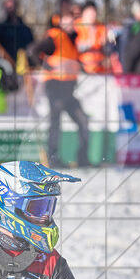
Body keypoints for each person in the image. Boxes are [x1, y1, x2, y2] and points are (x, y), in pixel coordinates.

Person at [30, 9, 91, 169]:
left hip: (69, 89)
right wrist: (48, 66)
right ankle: (53, 159)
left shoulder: (71, 39)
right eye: (68, 20)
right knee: (55, 123)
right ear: (59, 21)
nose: (72, 23)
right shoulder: (55, 37)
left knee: (82, 120)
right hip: (56, 86)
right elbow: (33, 51)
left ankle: (83, 158)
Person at [0, 0, 34, 65]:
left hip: (22, 66)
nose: (10, 9)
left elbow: (30, 48)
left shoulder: (25, 30)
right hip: (4, 65)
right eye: (7, 7)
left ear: (16, 8)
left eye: (11, 7)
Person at [75, 1, 108, 74]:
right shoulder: (76, 27)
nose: (93, 15)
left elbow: (107, 48)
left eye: (94, 12)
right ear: (83, 13)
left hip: (100, 70)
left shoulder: (101, 27)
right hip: (81, 69)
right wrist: (89, 43)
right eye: (90, 12)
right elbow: (75, 47)